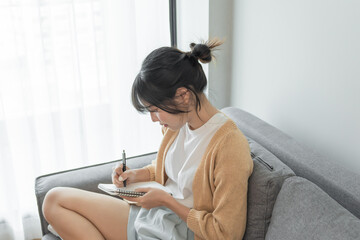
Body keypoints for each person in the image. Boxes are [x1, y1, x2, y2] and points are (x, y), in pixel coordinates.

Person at [42, 39, 253, 240]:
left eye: (155, 110)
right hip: (156, 216)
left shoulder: (229, 146)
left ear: (183, 95)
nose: (153, 119)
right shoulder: (178, 125)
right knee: (53, 200)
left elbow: (226, 234)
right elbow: (173, 170)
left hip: (182, 231)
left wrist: (167, 202)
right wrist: (136, 175)